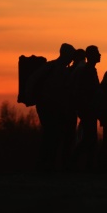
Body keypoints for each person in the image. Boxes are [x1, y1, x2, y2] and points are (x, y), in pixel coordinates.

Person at [28, 42, 76, 171]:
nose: (72, 59)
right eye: (71, 55)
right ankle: (44, 165)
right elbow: (33, 79)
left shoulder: (56, 68)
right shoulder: (51, 67)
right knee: (51, 135)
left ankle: (48, 164)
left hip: (54, 107)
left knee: (54, 136)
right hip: (47, 107)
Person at [72, 45, 101, 172]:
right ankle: (75, 162)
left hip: (89, 109)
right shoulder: (87, 71)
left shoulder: (90, 70)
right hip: (88, 109)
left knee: (90, 138)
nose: (100, 55)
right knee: (89, 138)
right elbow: (86, 92)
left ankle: (87, 165)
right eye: (97, 53)